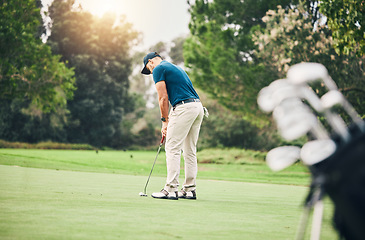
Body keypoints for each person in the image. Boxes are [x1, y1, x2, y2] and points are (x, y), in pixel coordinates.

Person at [141, 52, 205, 200]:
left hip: (184, 108)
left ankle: (170, 189)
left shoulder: (158, 69)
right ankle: (189, 190)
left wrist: (165, 121)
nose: (150, 72)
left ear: (150, 62)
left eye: (148, 69)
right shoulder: (175, 68)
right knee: (189, 150)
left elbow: (163, 98)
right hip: (197, 107)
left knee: (172, 147)